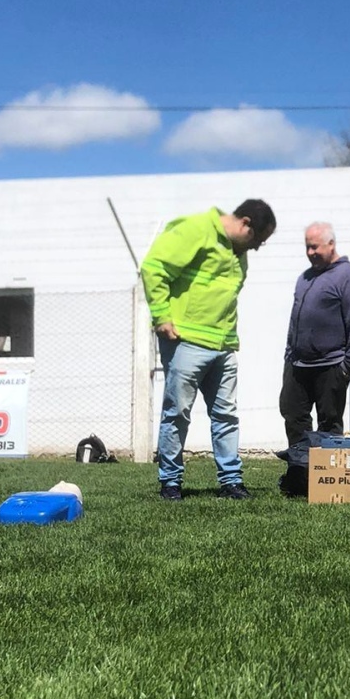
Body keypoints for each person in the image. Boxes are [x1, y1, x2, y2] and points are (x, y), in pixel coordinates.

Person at [140, 199, 276, 501]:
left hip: (224, 345)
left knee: (226, 415)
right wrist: (161, 315)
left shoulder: (237, 251)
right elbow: (153, 268)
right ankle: (171, 482)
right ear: (245, 224)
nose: (255, 249)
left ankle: (231, 481)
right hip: (186, 341)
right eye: (257, 242)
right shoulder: (196, 229)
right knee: (177, 414)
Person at [279, 221, 350, 448]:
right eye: (307, 247)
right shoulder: (305, 278)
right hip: (298, 365)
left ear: (331, 244)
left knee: (329, 425)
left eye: (315, 247)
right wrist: (289, 355)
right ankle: (301, 473)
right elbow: (294, 320)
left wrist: (348, 367)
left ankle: (326, 479)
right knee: (293, 415)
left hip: (330, 366)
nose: (311, 253)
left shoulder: (348, 277)